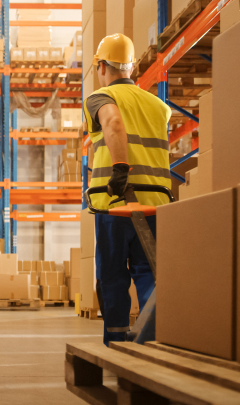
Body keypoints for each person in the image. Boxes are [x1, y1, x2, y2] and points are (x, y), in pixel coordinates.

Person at [83, 33, 172, 346]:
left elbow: (114, 124)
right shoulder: (159, 107)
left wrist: (120, 169)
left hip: (115, 203)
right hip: (155, 203)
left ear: (102, 66)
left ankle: (117, 341)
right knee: (149, 273)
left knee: (112, 275)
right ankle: (151, 341)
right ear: (131, 68)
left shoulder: (100, 97)